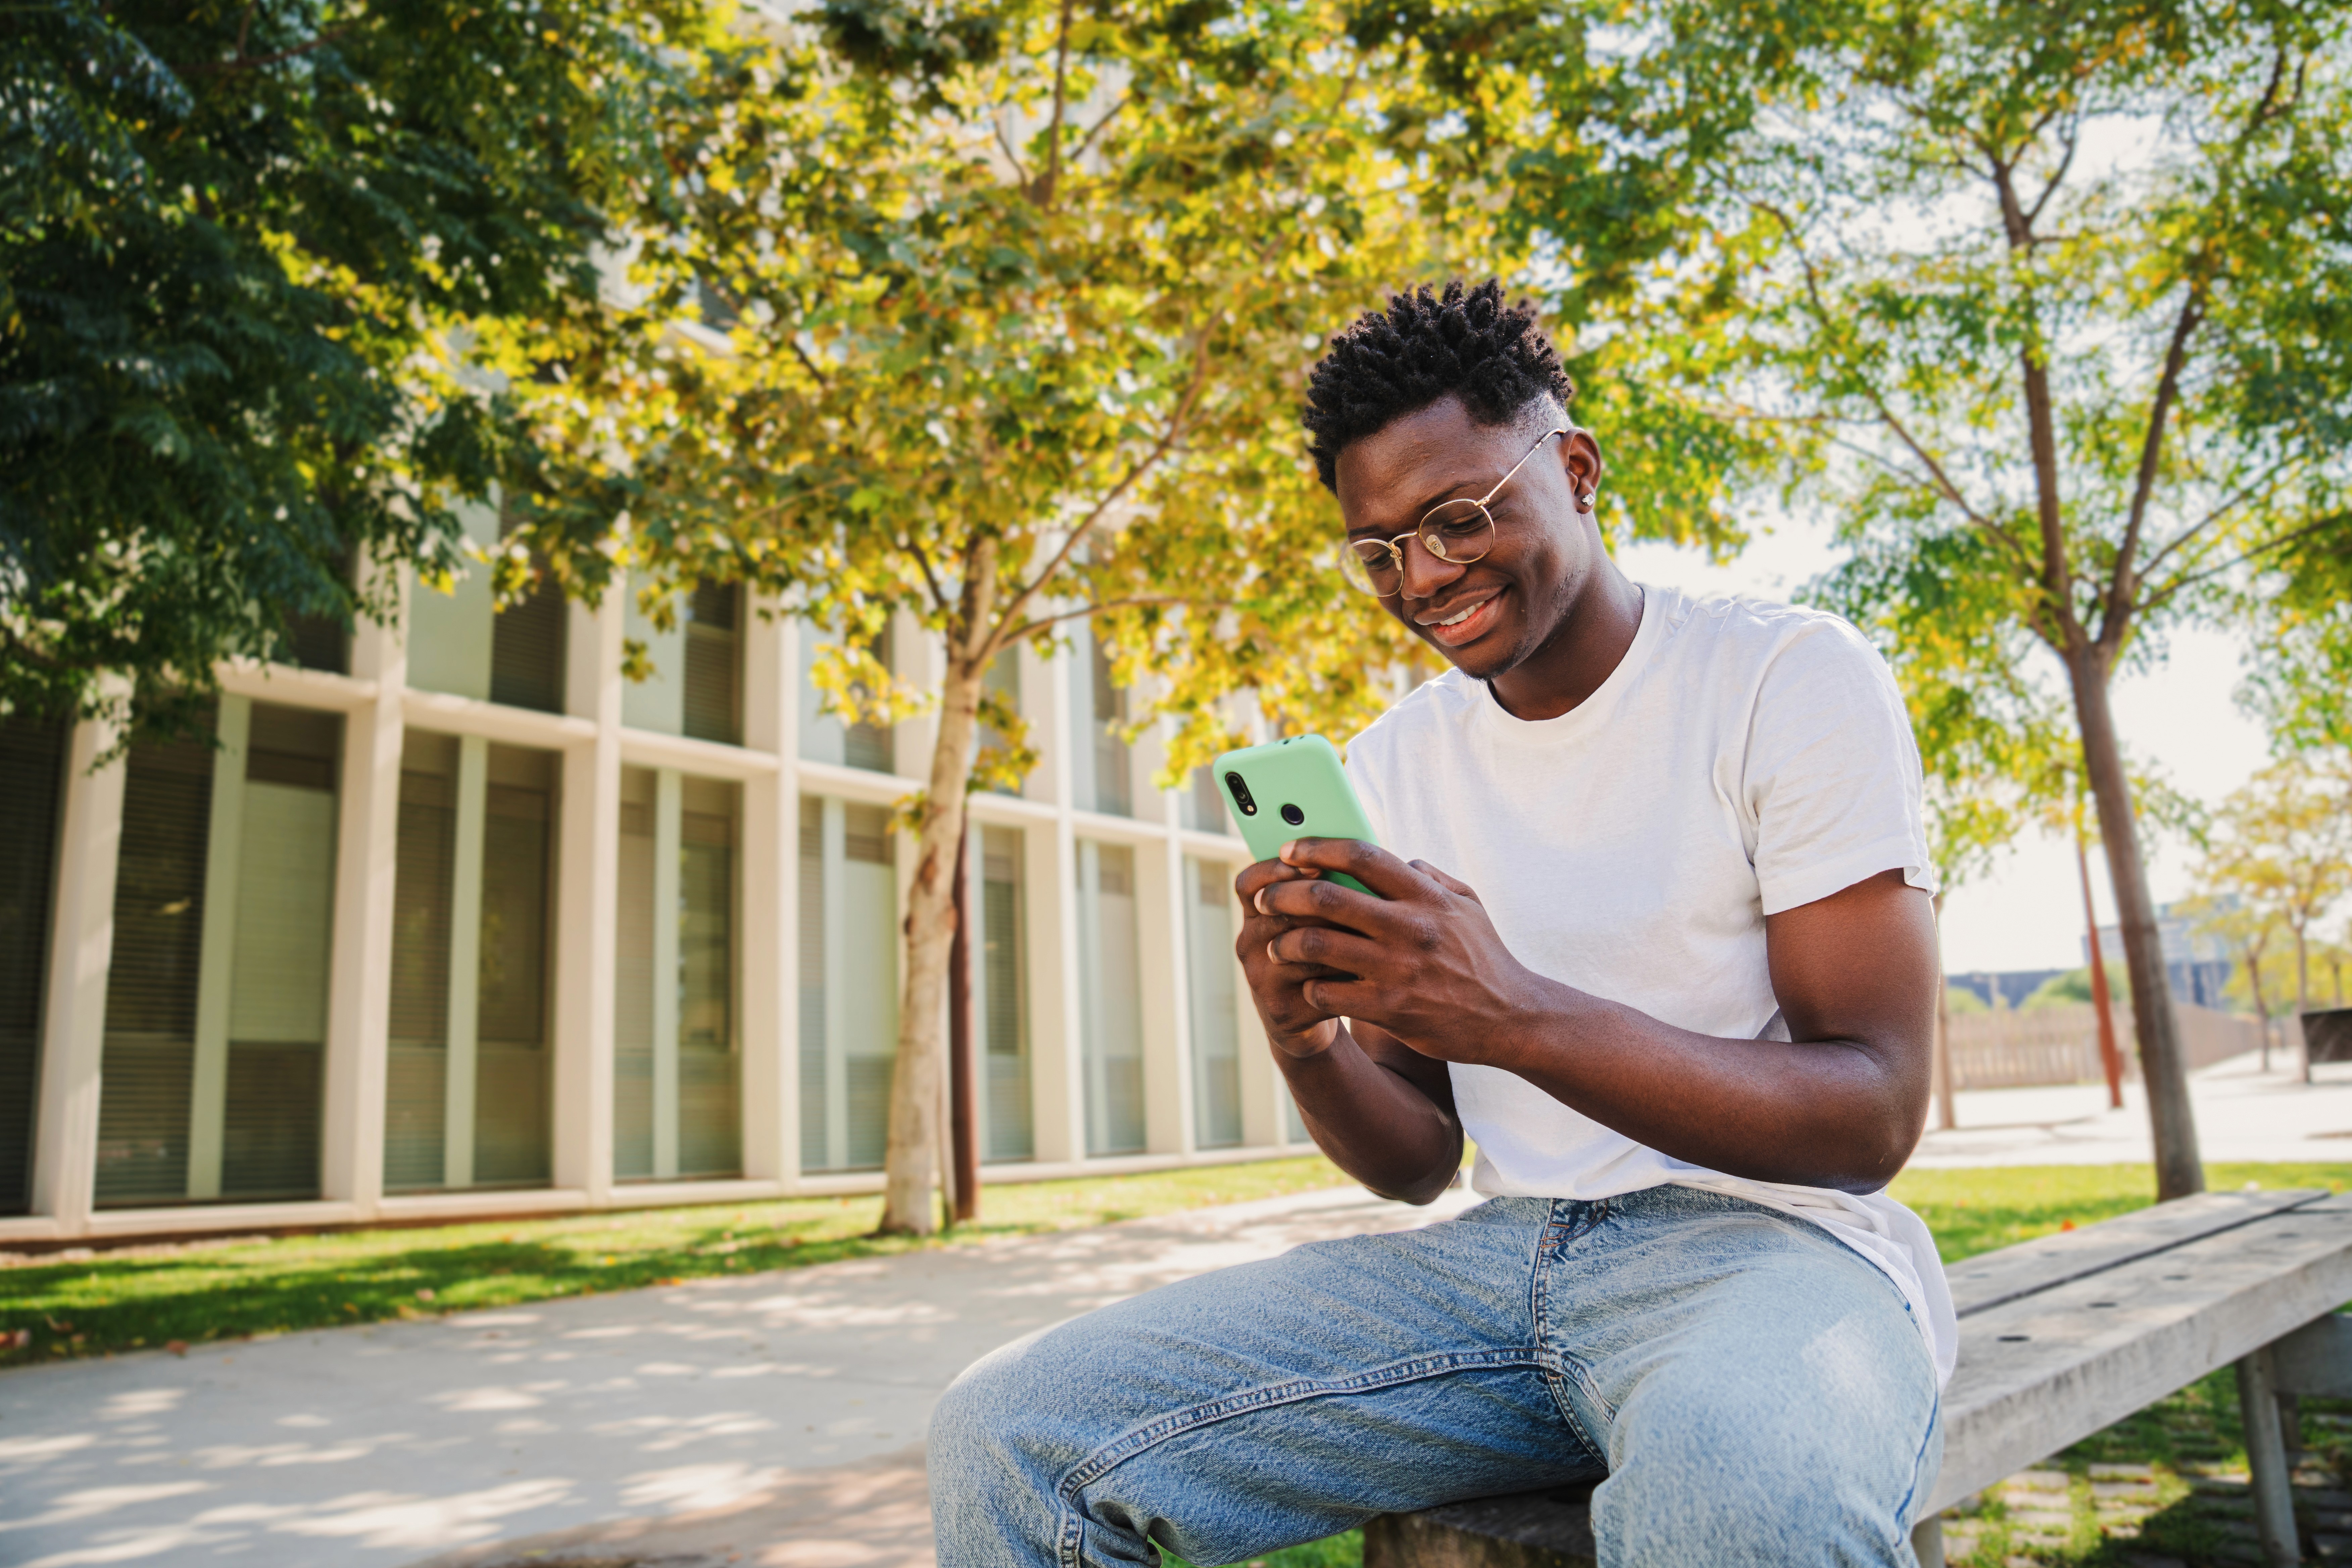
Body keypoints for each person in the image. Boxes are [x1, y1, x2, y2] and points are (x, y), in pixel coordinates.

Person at [928, 279, 1952, 1567]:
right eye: (1380, 549)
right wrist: (1309, 1042)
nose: (1424, 576)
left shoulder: (1785, 680)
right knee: (1009, 1434)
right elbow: (1417, 1160)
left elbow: (1870, 1115)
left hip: (1774, 1251)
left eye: (1458, 517)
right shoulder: (1396, 763)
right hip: (1494, 1275)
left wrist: (1511, 1013)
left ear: (1573, 469)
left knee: (1741, 1491)